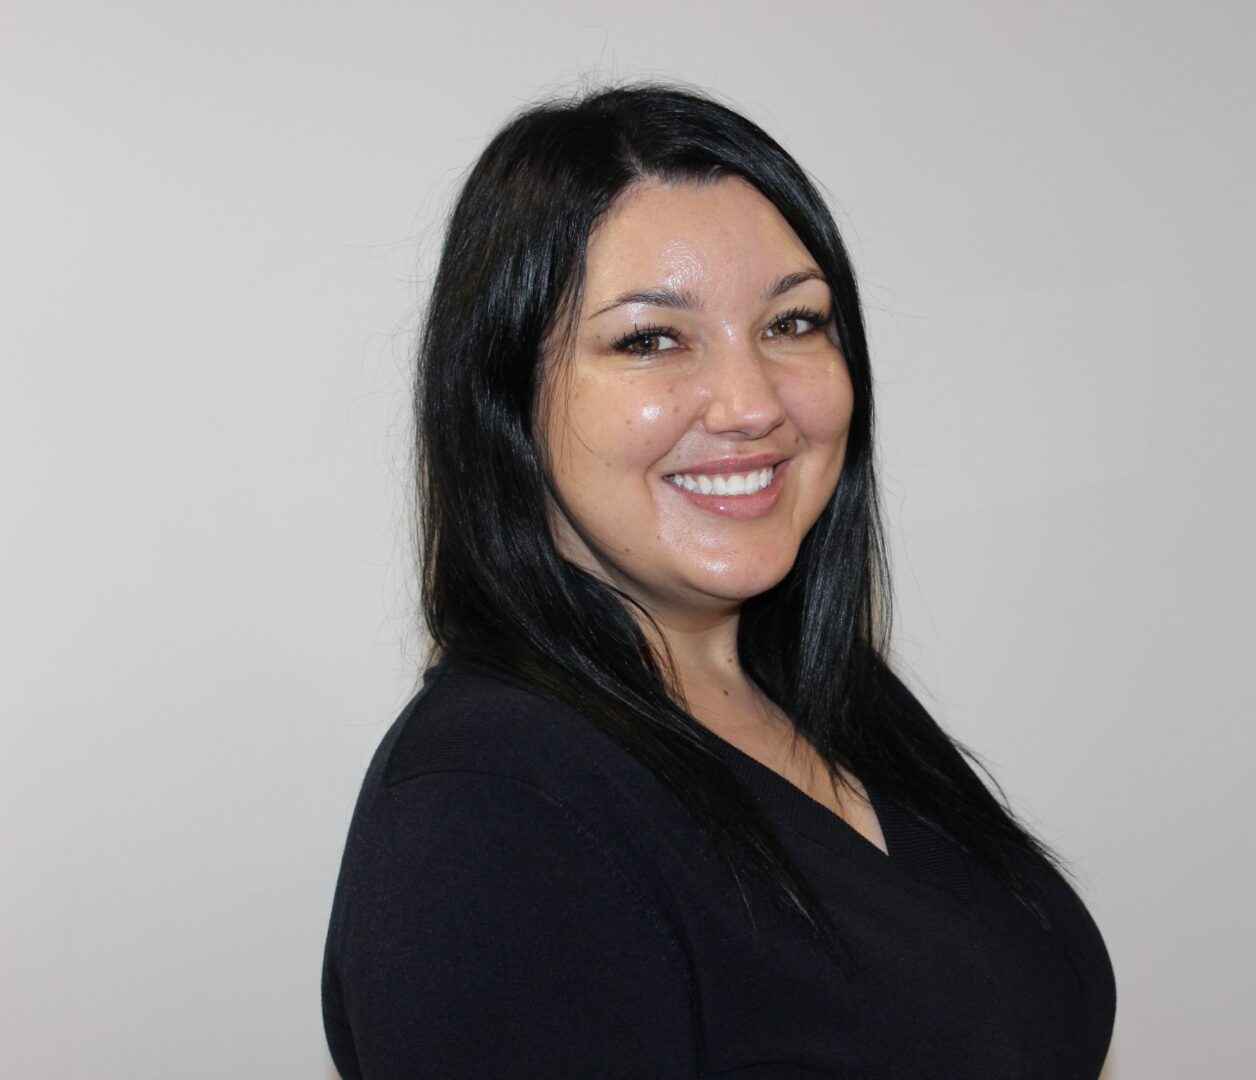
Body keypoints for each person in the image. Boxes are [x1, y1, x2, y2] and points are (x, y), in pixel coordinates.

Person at [320, 82, 1114, 1078]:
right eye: (651, 339)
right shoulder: (491, 816)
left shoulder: (820, 692)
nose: (752, 404)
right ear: (505, 401)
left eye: (792, 324)